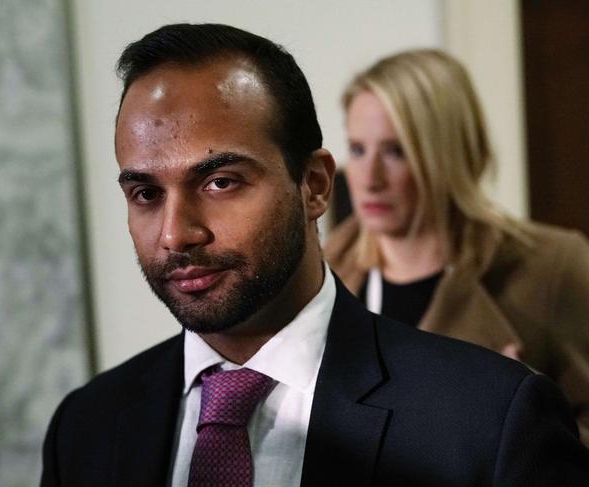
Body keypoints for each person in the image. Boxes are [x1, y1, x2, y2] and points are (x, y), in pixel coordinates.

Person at [40, 25, 589, 486]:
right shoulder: (84, 429)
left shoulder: (490, 417)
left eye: (221, 182)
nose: (175, 234)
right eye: (145, 194)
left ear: (316, 185)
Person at [325, 48, 589, 446]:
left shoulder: (551, 266)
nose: (369, 178)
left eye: (396, 151)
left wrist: (523, 427)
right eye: (358, 149)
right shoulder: (320, 273)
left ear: (447, 153)